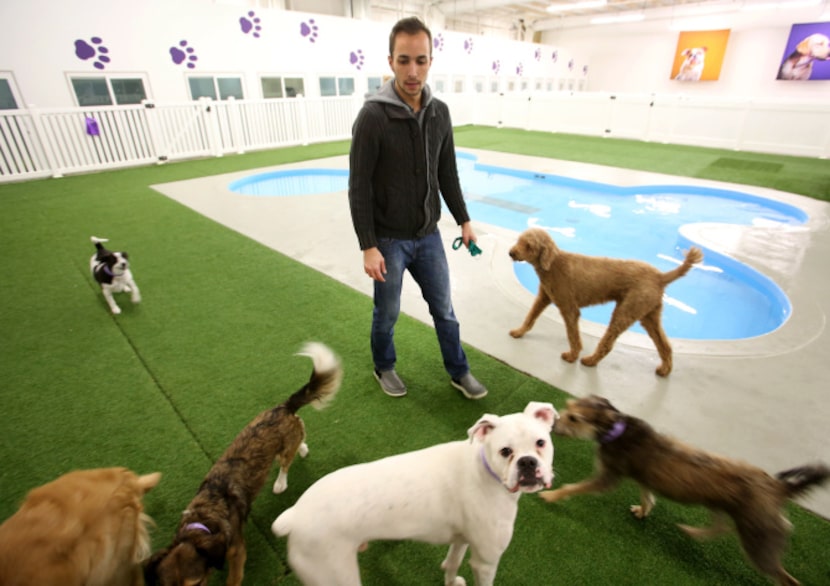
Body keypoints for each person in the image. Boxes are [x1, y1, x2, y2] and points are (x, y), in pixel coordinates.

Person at [348, 16, 488, 400]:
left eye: (421, 60)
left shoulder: (440, 113)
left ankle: (459, 371)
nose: (413, 71)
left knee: (444, 310)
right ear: (391, 61)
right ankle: (384, 365)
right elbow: (358, 186)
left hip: (428, 237)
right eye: (404, 60)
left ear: (430, 61)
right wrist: (368, 245)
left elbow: (448, 173)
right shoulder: (373, 116)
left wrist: (463, 219)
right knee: (387, 314)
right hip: (388, 241)